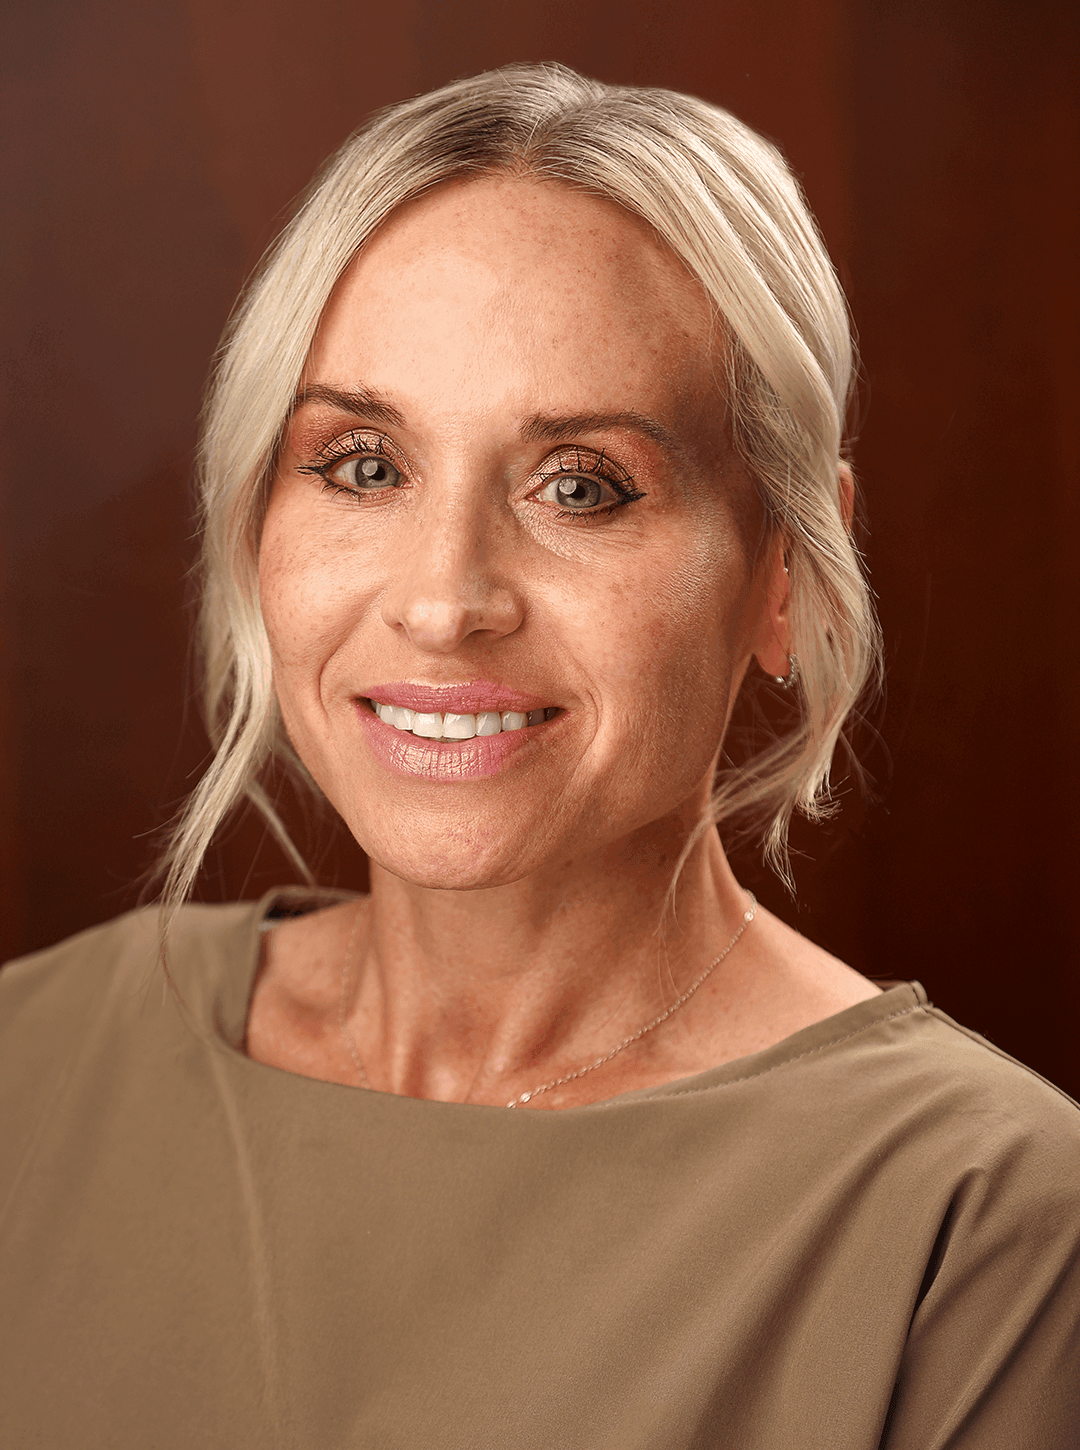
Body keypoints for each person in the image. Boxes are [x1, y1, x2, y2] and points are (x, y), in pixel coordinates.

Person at [1, 62, 1077, 1449]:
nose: (446, 599)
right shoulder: (34, 1063)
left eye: (582, 485)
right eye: (365, 464)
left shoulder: (984, 1229)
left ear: (787, 575)